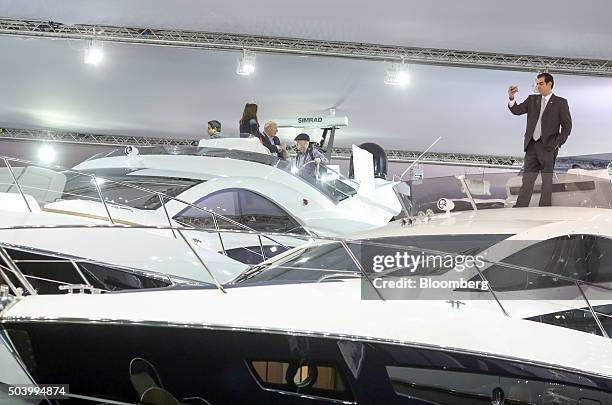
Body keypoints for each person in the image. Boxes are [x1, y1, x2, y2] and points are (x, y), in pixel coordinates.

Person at [508, 73, 572, 207]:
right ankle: (520, 207)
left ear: (550, 84)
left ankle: (544, 209)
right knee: (527, 180)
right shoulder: (532, 100)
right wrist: (511, 97)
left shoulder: (561, 102)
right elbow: (517, 110)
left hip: (549, 147)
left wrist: (558, 142)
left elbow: (567, 126)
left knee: (547, 181)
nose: (538, 86)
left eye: (541, 83)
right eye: (537, 83)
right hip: (532, 146)